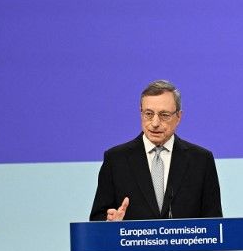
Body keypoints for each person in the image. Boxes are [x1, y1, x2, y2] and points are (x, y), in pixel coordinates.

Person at [90, 79, 222, 221]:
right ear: (141, 113)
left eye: (164, 115)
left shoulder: (201, 161)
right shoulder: (116, 160)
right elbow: (97, 218)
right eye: (149, 114)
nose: (155, 123)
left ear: (178, 117)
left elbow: (214, 222)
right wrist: (111, 223)